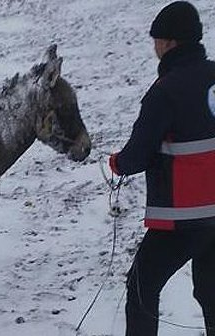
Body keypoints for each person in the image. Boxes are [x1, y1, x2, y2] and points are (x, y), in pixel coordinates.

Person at [109, 1, 215, 335]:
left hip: (183, 218)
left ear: (169, 42)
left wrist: (117, 163)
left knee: (142, 288)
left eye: (156, 39)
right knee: (212, 293)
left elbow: (137, 155)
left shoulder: (165, 92)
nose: (154, 46)